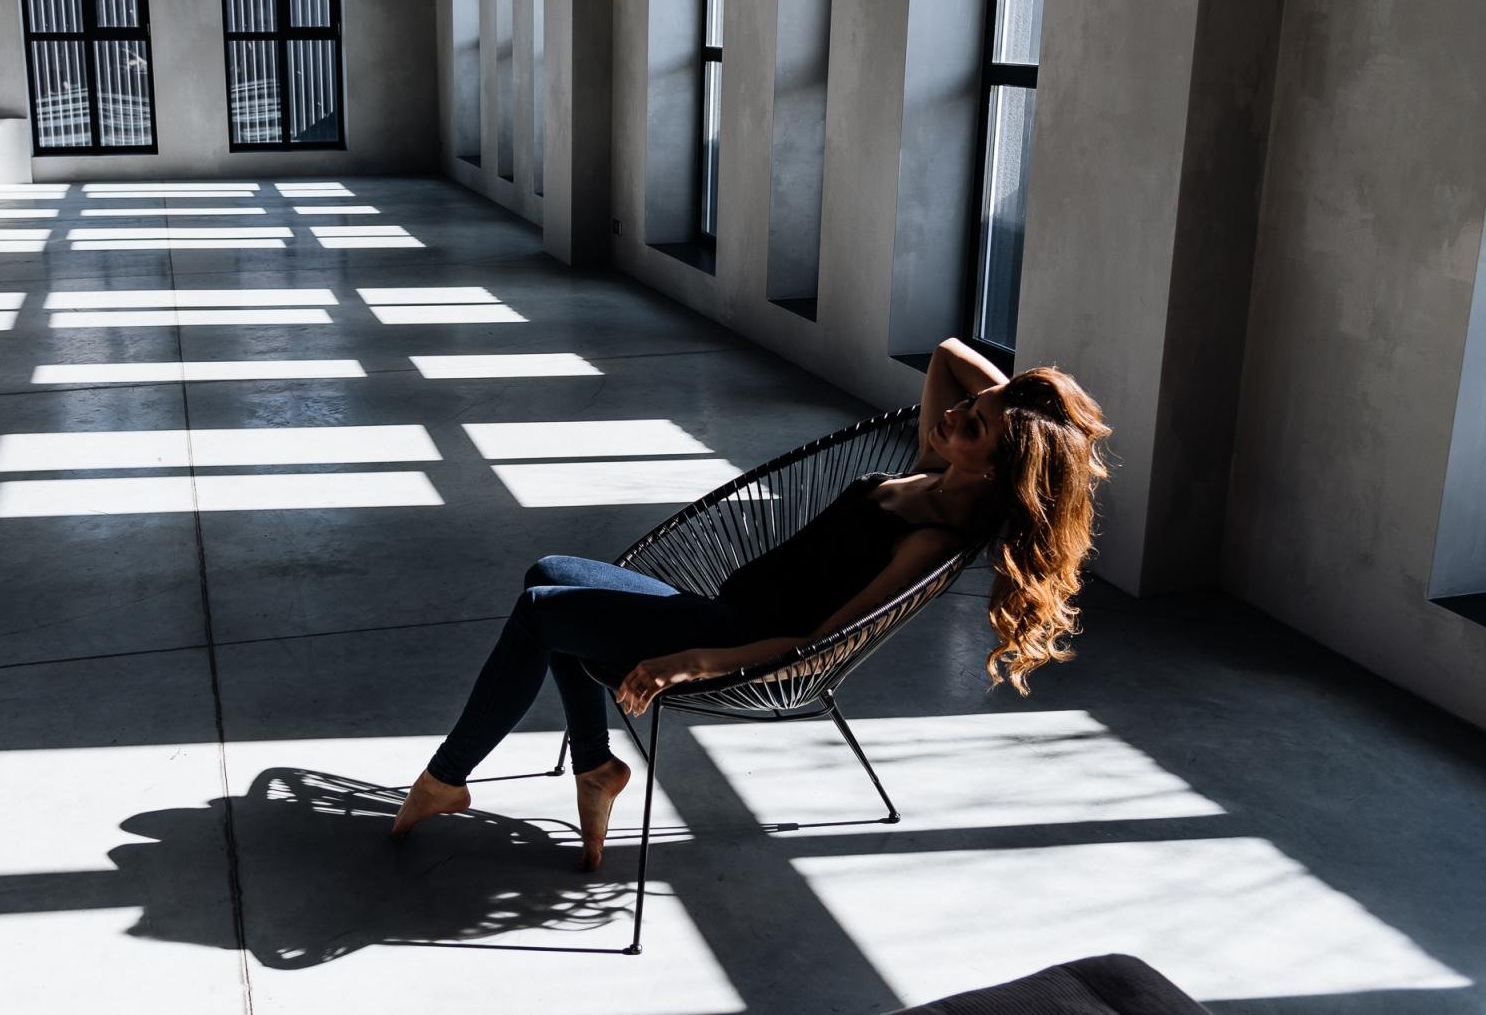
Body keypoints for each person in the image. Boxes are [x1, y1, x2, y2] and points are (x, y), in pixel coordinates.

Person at [391, 337, 1111, 870]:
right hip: (712, 611)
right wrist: (1018, 410)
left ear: (999, 472)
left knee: (543, 612)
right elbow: (950, 354)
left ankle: (446, 778)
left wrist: (692, 662)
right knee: (548, 572)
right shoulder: (932, 468)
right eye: (967, 409)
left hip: (737, 645)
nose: (953, 414)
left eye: (973, 425)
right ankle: (595, 768)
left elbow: (819, 645)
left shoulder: (932, 539)